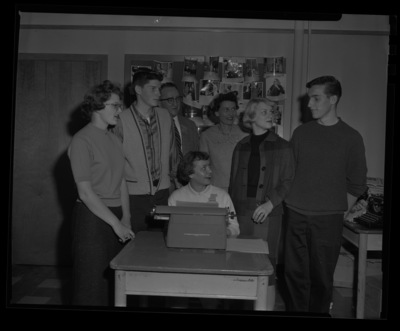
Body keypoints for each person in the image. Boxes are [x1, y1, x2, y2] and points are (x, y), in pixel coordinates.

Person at [284, 75, 368, 314]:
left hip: (328, 219)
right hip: (295, 214)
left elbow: (357, 184)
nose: (310, 104)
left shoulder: (351, 138)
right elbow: (290, 173)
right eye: (309, 98)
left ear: (333, 99)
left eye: (315, 98)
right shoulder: (301, 133)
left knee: (321, 278)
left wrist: (338, 213)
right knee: (293, 275)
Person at [68, 80, 135, 306]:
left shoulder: (114, 139)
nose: (120, 110)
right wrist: (115, 224)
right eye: (115, 105)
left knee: (115, 286)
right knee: (92, 287)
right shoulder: (81, 140)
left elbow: (122, 181)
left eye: (120, 105)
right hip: (92, 218)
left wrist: (126, 217)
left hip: (116, 214)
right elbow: (86, 193)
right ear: (97, 106)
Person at [229, 98, 295, 311]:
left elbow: (288, 181)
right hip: (241, 213)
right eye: (265, 111)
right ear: (251, 117)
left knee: (267, 266)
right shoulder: (241, 146)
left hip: (269, 214)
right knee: (241, 265)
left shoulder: (283, 146)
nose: (271, 115)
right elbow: (233, 184)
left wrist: (269, 204)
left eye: (272, 112)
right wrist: (230, 216)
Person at [113, 68, 179, 233]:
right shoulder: (120, 120)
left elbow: (173, 155)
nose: (158, 94)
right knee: (133, 247)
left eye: (159, 89)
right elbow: (115, 165)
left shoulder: (165, 117)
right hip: (133, 196)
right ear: (138, 90)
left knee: (160, 246)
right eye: (153, 89)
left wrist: (173, 186)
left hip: (163, 194)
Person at [169, 151, 240, 237]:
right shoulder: (176, 197)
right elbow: (172, 229)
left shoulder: (223, 196)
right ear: (190, 173)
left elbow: (235, 227)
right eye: (204, 168)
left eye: (209, 166)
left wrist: (226, 231)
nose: (210, 171)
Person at [199, 92, 248, 191]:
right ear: (217, 112)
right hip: (215, 189)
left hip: (240, 188)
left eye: (233, 109)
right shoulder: (207, 136)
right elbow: (203, 165)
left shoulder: (244, 134)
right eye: (226, 109)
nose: (231, 113)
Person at [159, 82, 199, 188]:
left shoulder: (190, 125)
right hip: (162, 184)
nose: (175, 103)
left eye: (177, 98)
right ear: (159, 102)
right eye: (170, 100)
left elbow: (195, 155)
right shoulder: (154, 125)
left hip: (187, 184)